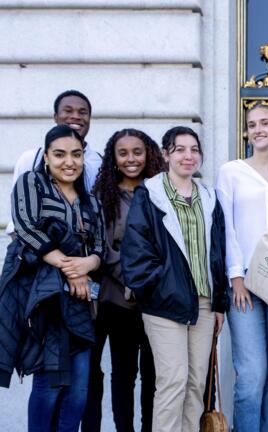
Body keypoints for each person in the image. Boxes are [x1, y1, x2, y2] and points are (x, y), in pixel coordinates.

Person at [121, 126, 229, 432]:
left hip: (204, 304)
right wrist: (159, 287)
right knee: (173, 381)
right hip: (164, 303)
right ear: (166, 154)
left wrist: (220, 303)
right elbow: (136, 252)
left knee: (196, 382)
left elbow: (218, 252)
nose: (188, 156)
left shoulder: (208, 196)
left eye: (194, 149)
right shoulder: (150, 195)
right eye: (180, 149)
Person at [0, 124, 105, 431]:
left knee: (78, 392)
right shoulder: (32, 183)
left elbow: (98, 248)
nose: (68, 162)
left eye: (76, 154)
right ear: (46, 157)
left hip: (80, 303)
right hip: (44, 299)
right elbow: (26, 228)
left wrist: (86, 265)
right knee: (49, 385)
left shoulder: (91, 202)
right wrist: (70, 269)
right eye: (59, 155)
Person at [216, 104, 268, 432]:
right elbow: (226, 228)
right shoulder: (232, 172)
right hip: (244, 285)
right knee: (251, 375)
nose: (258, 129)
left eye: (265, 123)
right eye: (252, 124)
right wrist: (235, 276)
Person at [81, 129, 165, 432]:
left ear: (149, 154)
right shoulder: (104, 197)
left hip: (156, 299)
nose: (131, 159)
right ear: (114, 159)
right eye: (123, 153)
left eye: (138, 152)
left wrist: (148, 280)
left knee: (154, 376)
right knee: (123, 373)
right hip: (116, 300)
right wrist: (131, 277)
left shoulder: (160, 192)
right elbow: (103, 248)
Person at [6, 90, 102, 236]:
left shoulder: (100, 162)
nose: (76, 116)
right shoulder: (30, 159)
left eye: (82, 112)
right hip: (37, 251)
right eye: (68, 110)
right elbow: (18, 218)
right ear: (55, 117)